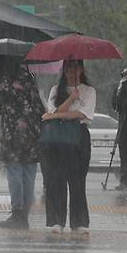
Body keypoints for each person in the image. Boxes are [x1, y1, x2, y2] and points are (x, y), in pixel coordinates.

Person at [42, 59, 96, 235]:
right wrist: (71, 98)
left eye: (75, 67)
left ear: (81, 69)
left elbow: (82, 114)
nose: (71, 71)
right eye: (68, 67)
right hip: (57, 139)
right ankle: (56, 221)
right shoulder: (55, 90)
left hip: (79, 137)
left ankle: (79, 222)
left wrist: (58, 115)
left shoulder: (89, 91)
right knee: (55, 180)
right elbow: (54, 112)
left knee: (77, 181)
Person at [0, 58, 44, 229]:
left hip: (13, 135)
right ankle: (25, 215)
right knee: (28, 174)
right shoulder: (29, 77)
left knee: (15, 172)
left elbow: (1, 108)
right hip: (31, 134)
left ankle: (17, 214)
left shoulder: (3, 80)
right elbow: (38, 107)